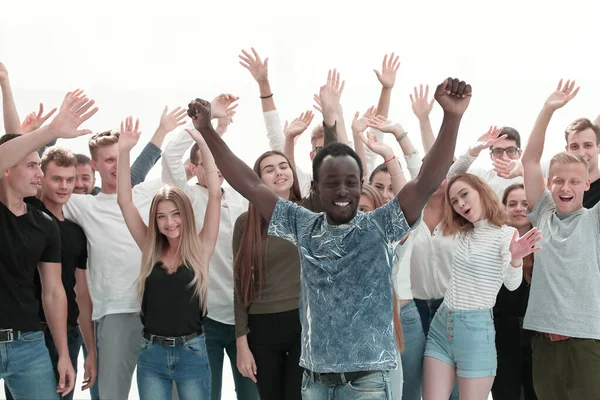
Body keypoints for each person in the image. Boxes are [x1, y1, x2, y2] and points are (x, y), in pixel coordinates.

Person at [189, 75, 472, 398]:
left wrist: (452, 117)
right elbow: (251, 185)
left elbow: (425, 181)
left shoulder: (382, 224)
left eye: (351, 182)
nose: (342, 191)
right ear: (316, 187)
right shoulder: (303, 224)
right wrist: (207, 131)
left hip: (366, 381)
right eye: (331, 182)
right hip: (315, 381)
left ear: (360, 182)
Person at [63, 107, 184, 400]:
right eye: (108, 160)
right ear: (94, 165)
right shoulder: (83, 206)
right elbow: (37, 189)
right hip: (114, 312)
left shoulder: (149, 193)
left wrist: (174, 128)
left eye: (120, 157)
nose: (115, 165)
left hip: (158, 310)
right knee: (112, 395)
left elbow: (174, 169)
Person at [0, 89, 98, 399]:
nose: (39, 174)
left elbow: (54, 292)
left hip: (29, 346)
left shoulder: (45, 226)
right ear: (7, 169)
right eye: (31, 165)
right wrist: (50, 132)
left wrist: (64, 354)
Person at [161, 95, 259, 400]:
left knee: (253, 394)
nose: (217, 169)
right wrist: (207, 122)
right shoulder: (187, 199)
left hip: (248, 317)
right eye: (209, 163)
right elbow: (170, 156)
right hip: (207, 319)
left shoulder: (244, 199)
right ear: (196, 168)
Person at [117, 117, 219, 399]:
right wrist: (124, 151)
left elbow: (214, 197)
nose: (169, 222)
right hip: (151, 354)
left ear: (185, 215)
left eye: (175, 214)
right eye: (161, 216)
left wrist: (203, 142)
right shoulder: (149, 248)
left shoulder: (201, 248)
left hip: (192, 352)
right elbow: (124, 201)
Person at [422, 173, 541, 400]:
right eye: (455, 201)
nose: (460, 204)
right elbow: (449, 176)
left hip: (475, 330)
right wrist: (473, 151)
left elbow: (512, 283)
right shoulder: (462, 231)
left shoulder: (506, 234)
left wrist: (516, 259)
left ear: (481, 190)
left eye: (465, 195)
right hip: (441, 324)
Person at [521, 79, 600, 399]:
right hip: (543, 342)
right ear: (549, 184)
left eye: (574, 182)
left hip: (584, 342)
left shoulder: (593, 220)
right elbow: (529, 159)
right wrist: (547, 109)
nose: (565, 188)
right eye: (558, 181)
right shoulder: (543, 214)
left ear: (586, 184)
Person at [233, 150, 304, 399]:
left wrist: (330, 118)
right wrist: (241, 342)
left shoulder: (309, 213)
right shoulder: (245, 223)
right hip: (261, 328)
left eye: (284, 166)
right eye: (270, 169)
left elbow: (329, 164)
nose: (279, 172)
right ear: (259, 180)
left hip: (303, 324)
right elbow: (240, 284)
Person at [491, 184, 536, 400]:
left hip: (537, 335)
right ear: (503, 208)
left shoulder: (548, 243)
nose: (519, 208)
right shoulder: (493, 244)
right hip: (501, 334)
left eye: (525, 204)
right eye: (512, 204)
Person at [448, 125, 523, 199]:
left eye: (510, 150)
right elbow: (452, 177)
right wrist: (474, 149)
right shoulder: (482, 177)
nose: (504, 157)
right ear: (491, 156)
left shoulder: (529, 178)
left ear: (519, 153)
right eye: (498, 151)